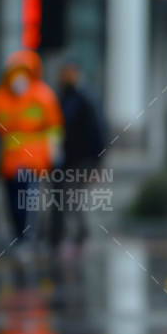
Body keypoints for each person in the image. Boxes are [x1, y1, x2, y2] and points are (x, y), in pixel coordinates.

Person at [0, 49, 62, 245]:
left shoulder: (42, 96)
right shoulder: (0, 97)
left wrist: (54, 151)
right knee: (11, 200)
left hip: (33, 159)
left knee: (27, 199)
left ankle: (27, 236)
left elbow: (54, 127)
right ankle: (18, 235)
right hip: (8, 161)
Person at [49, 56, 107, 252]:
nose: (66, 76)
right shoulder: (60, 98)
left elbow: (97, 132)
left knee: (72, 196)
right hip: (64, 159)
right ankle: (71, 234)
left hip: (82, 160)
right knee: (66, 198)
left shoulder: (85, 99)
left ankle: (79, 234)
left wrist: (97, 163)